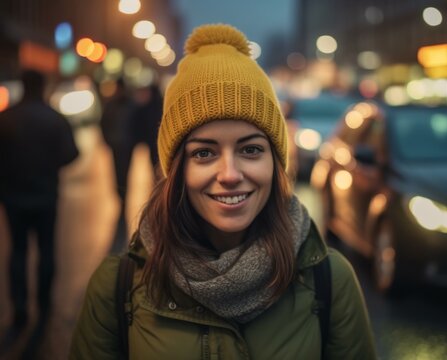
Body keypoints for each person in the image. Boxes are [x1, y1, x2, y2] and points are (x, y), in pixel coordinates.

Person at [70, 24, 377, 359]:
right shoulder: (117, 288)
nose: (230, 175)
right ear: (177, 170)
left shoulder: (330, 281)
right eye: (204, 153)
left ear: (276, 162)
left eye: (250, 150)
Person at [0, 70, 79, 354]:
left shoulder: (6, 118)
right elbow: (72, 153)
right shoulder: (54, 118)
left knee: (18, 251)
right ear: (43, 85)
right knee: (46, 250)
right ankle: (44, 307)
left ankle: (19, 309)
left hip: (13, 197)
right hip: (46, 196)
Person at [99, 78, 137, 251]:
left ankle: (123, 195)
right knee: (117, 172)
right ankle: (120, 194)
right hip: (116, 145)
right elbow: (104, 124)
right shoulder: (113, 105)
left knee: (125, 172)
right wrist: (107, 140)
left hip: (126, 145)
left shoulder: (129, 105)